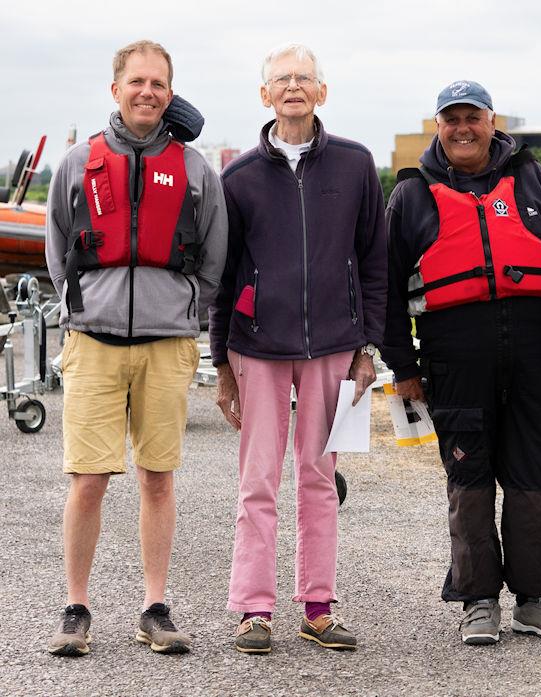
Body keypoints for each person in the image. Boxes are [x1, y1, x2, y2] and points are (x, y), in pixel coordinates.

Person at [382, 81, 541, 646]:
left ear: (491, 120)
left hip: (530, 353)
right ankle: (478, 600)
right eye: (451, 119)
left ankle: (535, 600)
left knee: (538, 477)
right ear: (437, 126)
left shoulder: (532, 179)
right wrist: (403, 368)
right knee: (469, 479)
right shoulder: (411, 195)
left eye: (471, 117)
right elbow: (385, 289)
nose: (462, 128)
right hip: (453, 357)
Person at [45, 39, 227, 656]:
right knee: (88, 479)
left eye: (159, 84)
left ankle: (154, 605)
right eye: (137, 82)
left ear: (170, 94)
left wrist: (186, 313)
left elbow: (214, 254)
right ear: (115, 89)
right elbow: (57, 243)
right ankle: (76, 606)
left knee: (157, 477)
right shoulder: (78, 162)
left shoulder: (196, 168)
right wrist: (81, 308)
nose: (148, 92)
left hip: (166, 343)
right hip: (92, 341)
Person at [209, 43, 386, 654]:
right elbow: (223, 277)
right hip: (256, 347)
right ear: (264, 95)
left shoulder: (357, 165)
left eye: (304, 79)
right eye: (281, 79)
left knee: (319, 474)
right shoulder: (237, 177)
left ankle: (317, 606)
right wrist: (220, 364)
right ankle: (254, 610)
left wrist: (370, 348)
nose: (293, 87)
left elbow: (374, 261)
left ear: (321, 91)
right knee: (257, 480)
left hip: (336, 346)